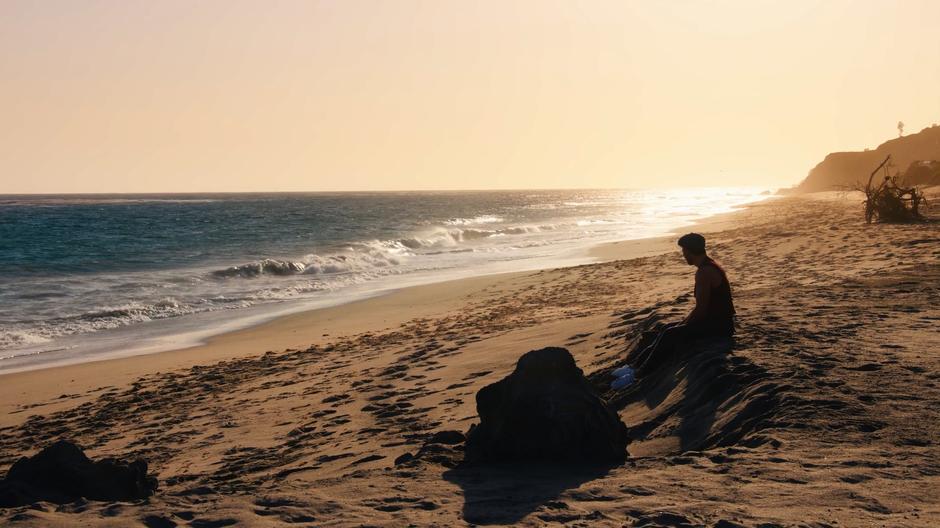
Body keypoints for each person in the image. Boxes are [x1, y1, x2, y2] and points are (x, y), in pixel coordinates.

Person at [628, 232, 736, 378]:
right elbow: (701, 308)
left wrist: (683, 325)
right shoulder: (709, 265)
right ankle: (634, 366)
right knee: (667, 328)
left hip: (719, 326)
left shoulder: (705, 272)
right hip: (717, 322)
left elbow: (701, 310)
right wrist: (683, 323)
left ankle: (639, 373)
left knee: (670, 334)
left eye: (684, 251)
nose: (683, 255)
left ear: (690, 251)